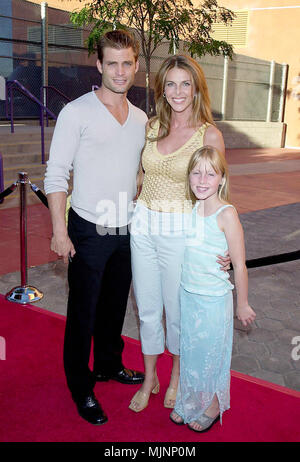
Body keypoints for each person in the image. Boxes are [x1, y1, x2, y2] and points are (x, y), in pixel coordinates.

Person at [44, 30, 147, 425]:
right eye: (112, 63)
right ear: (99, 65)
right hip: (87, 227)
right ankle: (81, 386)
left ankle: (108, 365)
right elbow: (56, 174)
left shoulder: (139, 119)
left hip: (126, 228)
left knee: (115, 306)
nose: (120, 71)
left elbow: (135, 171)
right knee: (83, 312)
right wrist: (59, 229)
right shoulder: (77, 112)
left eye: (127, 63)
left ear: (136, 66)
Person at [129, 55, 230, 413]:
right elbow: (143, 176)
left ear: (197, 88)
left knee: (176, 310)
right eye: (170, 84)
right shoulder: (152, 127)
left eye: (185, 83)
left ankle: (175, 377)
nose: (177, 91)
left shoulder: (209, 134)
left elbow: (218, 193)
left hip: (178, 231)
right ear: (161, 89)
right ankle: (149, 377)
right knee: (147, 308)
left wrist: (228, 244)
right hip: (142, 225)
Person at [170, 145, 256, 432]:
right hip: (189, 294)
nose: (202, 180)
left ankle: (213, 403)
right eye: (196, 173)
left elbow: (240, 264)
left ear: (222, 178)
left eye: (210, 173)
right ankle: (189, 400)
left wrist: (242, 303)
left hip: (213, 300)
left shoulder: (227, 214)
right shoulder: (192, 207)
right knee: (191, 351)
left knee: (211, 355)